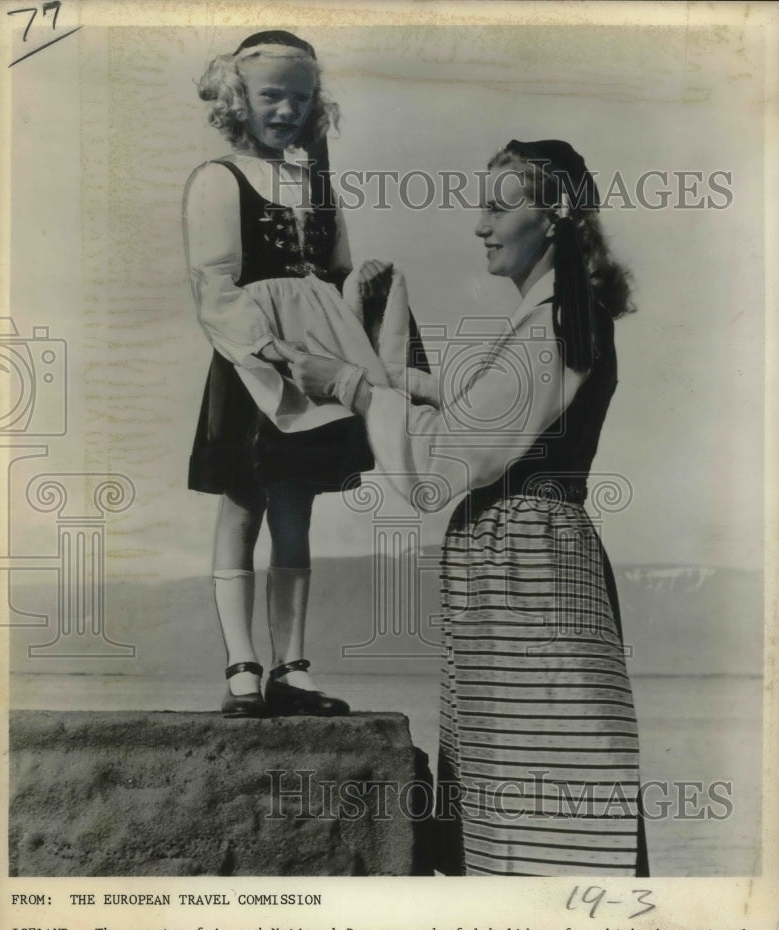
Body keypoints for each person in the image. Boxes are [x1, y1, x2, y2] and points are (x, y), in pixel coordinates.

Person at [276, 139, 649, 875]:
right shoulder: (556, 318)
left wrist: (353, 385)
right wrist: (401, 371)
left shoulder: (553, 325)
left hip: (530, 572)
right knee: (520, 786)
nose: (479, 225)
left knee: (547, 785)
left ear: (553, 216)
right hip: (517, 568)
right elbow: (477, 407)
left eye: (497, 206)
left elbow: (446, 463)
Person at [184, 31, 402, 718]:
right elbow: (214, 284)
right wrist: (268, 348)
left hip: (315, 351)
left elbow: (334, 269)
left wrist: (359, 292)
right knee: (243, 501)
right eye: (271, 95)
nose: (285, 109)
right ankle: (242, 663)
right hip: (254, 359)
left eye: (299, 98)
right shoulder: (218, 179)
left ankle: (292, 664)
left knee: (295, 503)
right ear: (237, 99)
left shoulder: (315, 182)